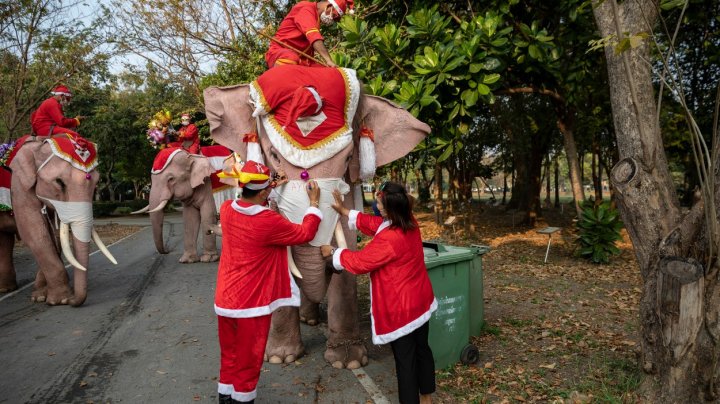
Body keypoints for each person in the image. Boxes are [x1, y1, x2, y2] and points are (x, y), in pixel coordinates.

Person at [214, 160, 323, 404]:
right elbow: (305, 233)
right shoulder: (268, 221)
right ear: (264, 193)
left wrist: (271, 184)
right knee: (249, 359)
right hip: (251, 304)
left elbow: (246, 190)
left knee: (229, 353)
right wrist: (314, 204)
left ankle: (225, 397)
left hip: (225, 300)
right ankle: (243, 399)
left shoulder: (227, 210)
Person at [321, 181, 437, 404]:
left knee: (406, 361)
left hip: (402, 309)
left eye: (380, 204)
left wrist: (333, 252)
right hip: (421, 301)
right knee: (422, 350)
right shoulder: (407, 221)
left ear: (391, 209)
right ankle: (427, 398)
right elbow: (376, 223)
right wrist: (345, 211)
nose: (377, 206)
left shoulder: (390, 240)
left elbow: (360, 262)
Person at [264, 0, 354, 68]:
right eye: (334, 16)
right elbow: (313, 36)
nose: (332, 20)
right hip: (279, 53)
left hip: (301, 60)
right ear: (329, 6)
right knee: (290, 58)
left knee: (324, 71)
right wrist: (328, 60)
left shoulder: (316, 20)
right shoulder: (306, 8)